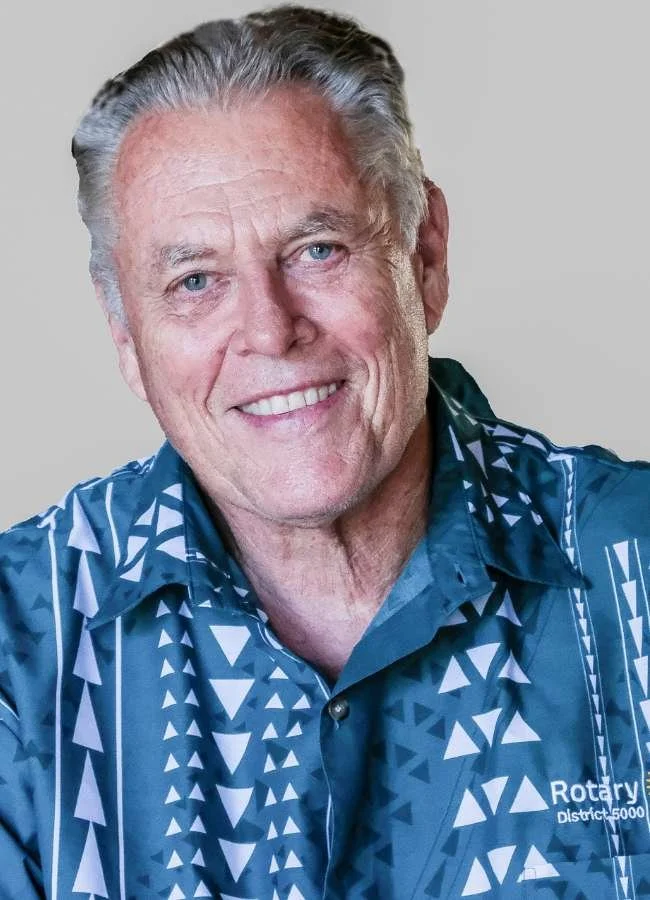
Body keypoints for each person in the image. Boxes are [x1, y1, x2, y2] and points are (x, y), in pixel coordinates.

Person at [1, 5, 649, 898]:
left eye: (317, 250)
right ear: (125, 334)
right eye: (195, 281)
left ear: (423, 258)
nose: (269, 330)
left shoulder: (637, 572)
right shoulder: (16, 646)